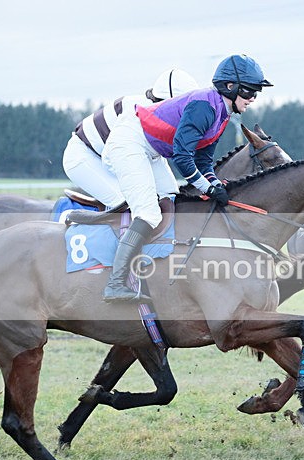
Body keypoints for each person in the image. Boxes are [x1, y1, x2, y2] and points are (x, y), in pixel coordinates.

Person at [101, 54, 272, 302]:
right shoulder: (204, 106)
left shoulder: (222, 114)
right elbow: (183, 158)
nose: (253, 98)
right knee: (148, 213)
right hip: (129, 143)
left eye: (256, 92)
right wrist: (207, 188)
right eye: (249, 92)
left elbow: (203, 162)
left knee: (172, 199)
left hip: (151, 150)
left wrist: (214, 184)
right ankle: (115, 283)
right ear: (230, 87)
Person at [62, 68, 199, 210]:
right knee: (132, 202)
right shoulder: (135, 114)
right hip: (84, 157)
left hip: (126, 154)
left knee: (171, 195)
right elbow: (112, 160)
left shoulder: (159, 112)